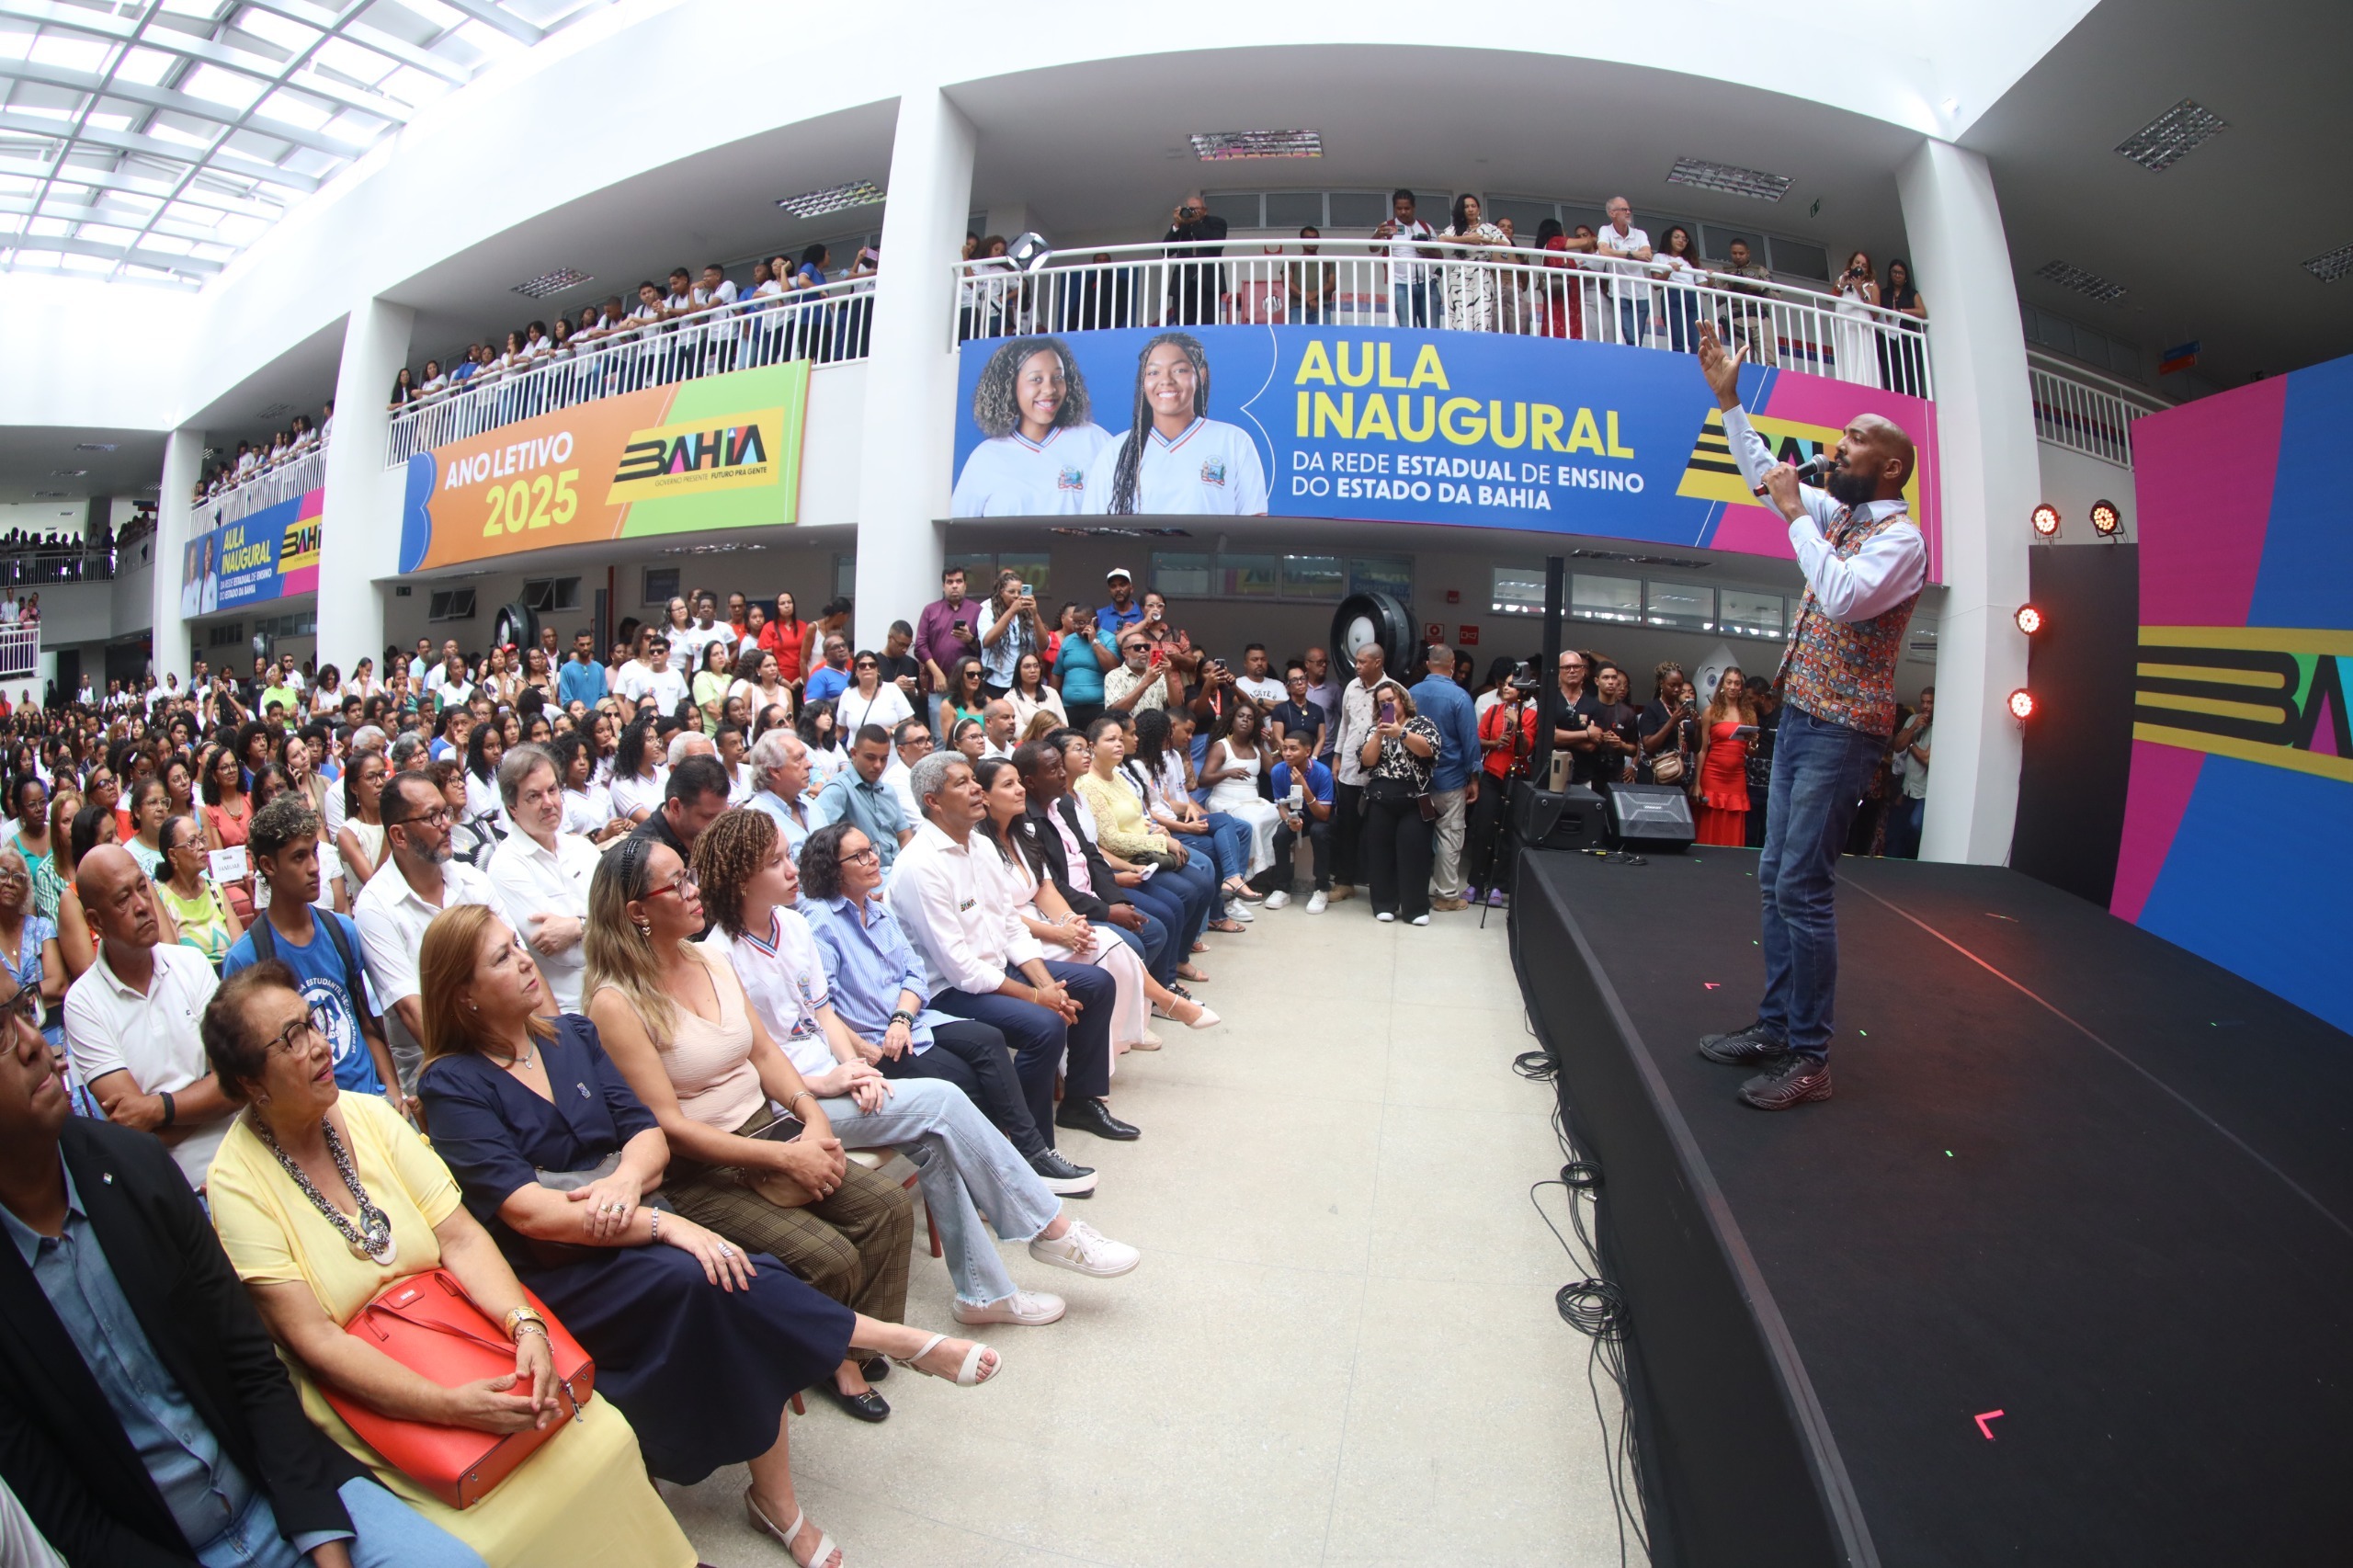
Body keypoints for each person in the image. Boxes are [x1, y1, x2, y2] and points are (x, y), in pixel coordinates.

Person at [415, 906, 999, 1568]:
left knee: (732, 1280)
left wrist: (626, 1184)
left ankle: (785, 1491)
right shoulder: (451, 1084)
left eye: (519, 946)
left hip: (636, 1223)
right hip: (567, 1271)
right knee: (722, 1279)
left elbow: (645, 1134)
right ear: (462, 992)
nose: (525, 961)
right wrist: (665, 1223)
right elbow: (531, 1214)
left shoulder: (570, 1036)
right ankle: (875, 1355)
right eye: (500, 957)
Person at [197, 965, 690, 1567]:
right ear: (251, 1082)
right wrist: (448, 1405)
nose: (321, 1043)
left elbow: (459, 1237)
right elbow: (315, 1340)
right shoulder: (234, 1183)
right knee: (496, 1535)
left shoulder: (369, 1115)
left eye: (312, 1022)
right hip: (373, 1389)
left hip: (461, 1332)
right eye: (291, 1038)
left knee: (605, 1436)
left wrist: (524, 1324)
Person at [0, 979, 487, 1568]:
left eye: (24, 1008)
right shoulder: (230, 1177)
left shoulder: (133, 1170)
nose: (34, 1043)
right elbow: (63, 1512)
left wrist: (322, 1542)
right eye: (0, 1030)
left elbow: (253, 1366)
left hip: (282, 1491)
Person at [698, 808, 1139, 1334]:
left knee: (936, 1141)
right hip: (789, 1104)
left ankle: (984, 1294)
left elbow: (823, 1016)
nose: (791, 869)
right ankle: (1051, 1227)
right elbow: (755, 1055)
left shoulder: (790, 925)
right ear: (740, 878)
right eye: (774, 863)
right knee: (943, 1099)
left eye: (786, 856)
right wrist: (822, 1083)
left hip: (841, 1081)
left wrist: (854, 1066)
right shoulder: (717, 956)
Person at [582, 836, 915, 1416]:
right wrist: (785, 1159)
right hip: (701, 1166)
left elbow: (764, 1054)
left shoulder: (709, 958)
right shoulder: (616, 1002)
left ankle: (848, 1344)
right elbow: (668, 1126)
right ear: (638, 912)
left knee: (887, 1208)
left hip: (767, 1128)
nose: (694, 891)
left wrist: (811, 1121)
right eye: (677, 884)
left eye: (690, 876)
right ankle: (831, 1359)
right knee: (831, 1257)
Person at [1695, 321, 1927, 1110]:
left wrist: (1798, 514)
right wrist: (1729, 401)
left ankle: (1812, 1058)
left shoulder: (1902, 542)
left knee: (1804, 886)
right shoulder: (1842, 517)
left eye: (1855, 439)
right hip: (1798, 718)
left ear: (1890, 465)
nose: (1839, 442)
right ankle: (1776, 1027)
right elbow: (1765, 473)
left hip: (1844, 733)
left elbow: (1844, 595)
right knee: (1774, 879)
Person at [799, 820, 1098, 1195]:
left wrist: (902, 1018)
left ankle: (1031, 1158)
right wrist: (860, 1049)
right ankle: (1000, 1176)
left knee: (988, 1040)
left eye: (872, 848)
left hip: (909, 1023)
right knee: (968, 1078)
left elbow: (914, 976)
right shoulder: (820, 921)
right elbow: (817, 1003)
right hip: (874, 1041)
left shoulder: (877, 910)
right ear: (832, 868)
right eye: (859, 856)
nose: (874, 858)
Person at [891, 752, 1134, 1149]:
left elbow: (1008, 925)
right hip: (948, 992)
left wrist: (1047, 985)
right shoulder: (920, 866)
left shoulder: (981, 847)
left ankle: (1080, 1101)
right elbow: (962, 971)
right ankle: (1027, 1142)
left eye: (974, 779)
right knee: (1045, 1026)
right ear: (933, 801)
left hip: (996, 970)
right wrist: (1040, 998)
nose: (975, 789)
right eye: (961, 783)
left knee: (1097, 984)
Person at [63, 845, 234, 1186]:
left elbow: (233, 1083)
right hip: (172, 1187)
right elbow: (135, 1134)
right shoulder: (83, 1004)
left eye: (142, 888)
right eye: (123, 899)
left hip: (240, 1158)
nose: (142, 906)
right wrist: (210, 1096)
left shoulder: (191, 964)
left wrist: (158, 1109)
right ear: (96, 922)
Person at [222, 797, 404, 1113]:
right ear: (268, 866)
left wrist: (391, 1088)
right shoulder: (247, 957)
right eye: (298, 857)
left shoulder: (341, 930)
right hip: (313, 1114)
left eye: (315, 852)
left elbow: (362, 1016)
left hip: (371, 1100)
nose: (314, 867)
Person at [353, 771, 506, 1096]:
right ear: (399, 835)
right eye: (432, 816)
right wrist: (490, 1072)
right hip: (444, 1069)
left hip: (508, 1038)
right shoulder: (376, 906)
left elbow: (520, 962)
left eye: (445, 812)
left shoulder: (472, 880)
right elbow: (413, 1012)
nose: (447, 824)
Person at [1089, 333, 1268, 516]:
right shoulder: (1117, 450)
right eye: (1153, 372)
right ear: (1143, 381)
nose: (1166, 380)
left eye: (1179, 370)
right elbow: (1092, 531)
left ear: (1201, 375)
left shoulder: (1234, 441)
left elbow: (1254, 524)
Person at [485, 744, 598, 1013]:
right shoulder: (506, 865)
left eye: (552, 790)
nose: (549, 803)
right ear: (512, 808)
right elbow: (566, 954)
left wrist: (576, 926)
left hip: (618, 987)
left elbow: (628, 923)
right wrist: (598, 923)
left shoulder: (582, 848)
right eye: (534, 796)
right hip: (569, 1008)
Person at [952, 336, 1115, 516]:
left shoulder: (1095, 440)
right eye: (1036, 379)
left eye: (1058, 377)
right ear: (1010, 386)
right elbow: (959, 530)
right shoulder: (985, 458)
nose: (1050, 389)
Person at [1356, 679, 1440, 926]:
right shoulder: (1375, 729)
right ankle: (1384, 904)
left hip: (1414, 800)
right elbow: (1368, 761)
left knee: (1414, 853)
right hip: (1381, 799)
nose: (1386, 705)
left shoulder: (1423, 724)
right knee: (1381, 854)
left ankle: (1415, 909)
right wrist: (1381, 735)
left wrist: (1400, 733)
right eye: (1382, 703)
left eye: (1390, 700)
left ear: (1402, 700)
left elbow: (1428, 750)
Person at [1412, 643, 1481, 913]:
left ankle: (1414, 887)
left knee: (1416, 834)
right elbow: (1470, 743)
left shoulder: (1411, 692)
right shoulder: (1460, 697)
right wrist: (1474, 779)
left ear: (1428, 663)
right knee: (1449, 838)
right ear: (1452, 665)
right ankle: (1447, 895)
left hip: (1417, 781)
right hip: (1450, 780)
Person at [1468, 675, 1540, 907]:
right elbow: (1478, 741)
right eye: (1506, 683)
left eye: (1512, 685)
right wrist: (1495, 742)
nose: (1506, 687)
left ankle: (1498, 885)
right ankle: (1475, 883)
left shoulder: (1531, 716)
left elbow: (1525, 748)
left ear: (1523, 691)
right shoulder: (1492, 711)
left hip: (1516, 777)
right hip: (1491, 774)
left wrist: (1517, 725)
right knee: (1483, 828)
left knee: (1507, 832)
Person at [1325, 642, 1388, 901]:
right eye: (1357, 661)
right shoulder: (1351, 687)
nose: (1357, 666)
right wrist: (1338, 756)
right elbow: (1345, 725)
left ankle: (1380, 885)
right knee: (1347, 826)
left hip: (1379, 772)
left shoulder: (1389, 692)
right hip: (1350, 768)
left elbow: (1389, 729)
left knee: (1378, 830)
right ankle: (1344, 882)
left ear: (1377, 662)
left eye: (1362, 662)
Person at [812, 722, 912, 871]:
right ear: (853, 753)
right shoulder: (838, 789)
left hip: (898, 872)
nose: (878, 765)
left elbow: (905, 836)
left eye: (884, 759)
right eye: (871, 758)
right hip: (864, 878)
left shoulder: (888, 791)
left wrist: (906, 868)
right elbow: (817, 842)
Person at [1199, 703, 1281, 884]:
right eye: (1241, 716)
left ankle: (1266, 874)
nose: (1245, 720)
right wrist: (1227, 773)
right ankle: (1243, 878)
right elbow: (1203, 779)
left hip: (1252, 802)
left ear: (1255, 724)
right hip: (1225, 802)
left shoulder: (1257, 748)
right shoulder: (1221, 747)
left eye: (1250, 718)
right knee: (1251, 822)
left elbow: (1276, 772)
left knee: (1279, 814)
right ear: (1232, 720)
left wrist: (1273, 746)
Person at [155, 812, 244, 967]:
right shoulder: (162, 900)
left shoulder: (214, 888)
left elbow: (239, 946)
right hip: (196, 980)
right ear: (173, 855)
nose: (202, 846)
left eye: (202, 839)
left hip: (230, 973)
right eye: (192, 842)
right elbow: (174, 960)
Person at [1263, 730, 1333, 912]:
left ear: (1307, 752)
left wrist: (1304, 788)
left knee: (1320, 832)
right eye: (1285, 748)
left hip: (1318, 815)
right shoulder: (1278, 771)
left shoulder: (1322, 772)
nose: (1287, 753)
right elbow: (1281, 806)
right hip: (1295, 814)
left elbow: (1324, 814)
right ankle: (1282, 889)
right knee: (1280, 836)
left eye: (1293, 749)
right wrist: (1289, 821)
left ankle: (1321, 888)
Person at [1688, 667, 1757, 847]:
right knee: (1709, 824)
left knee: (1733, 824)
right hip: (1712, 775)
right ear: (1722, 685)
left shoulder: (1749, 714)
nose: (1733, 687)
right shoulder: (1710, 712)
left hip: (1736, 777)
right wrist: (1697, 783)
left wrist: (1754, 742)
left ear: (1741, 687)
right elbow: (1702, 750)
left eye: (1737, 683)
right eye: (1729, 682)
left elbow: (1751, 752)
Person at [201, 743, 257, 922]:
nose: (231, 770)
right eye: (224, 767)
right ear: (214, 775)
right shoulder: (210, 810)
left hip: (259, 867)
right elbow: (218, 855)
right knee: (241, 902)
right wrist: (239, 878)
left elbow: (261, 839)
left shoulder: (250, 798)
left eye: (234, 765)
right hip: (231, 875)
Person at [1438, 193, 1510, 332]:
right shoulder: (1456, 228)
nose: (1470, 209)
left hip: (1482, 273)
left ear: (1479, 209)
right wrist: (1467, 239)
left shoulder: (1489, 228)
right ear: (1462, 210)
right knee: (1462, 319)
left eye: (1473, 206)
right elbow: (1441, 239)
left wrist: (1486, 240)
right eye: (1466, 207)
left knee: (1483, 318)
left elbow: (1506, 244)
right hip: (1460, 275)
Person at [1594, 196, 1654, 345]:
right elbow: (1603, 251)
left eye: (1629, 209)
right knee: (1630, 336)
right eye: (1624, 209)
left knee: (1637, 338)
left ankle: (1635, 361)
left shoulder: (1639, 234)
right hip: (1619, 292)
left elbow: (1647, 255)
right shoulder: (1605, 230)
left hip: (1641, 293)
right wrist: (1631, 254)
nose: (1628, 212)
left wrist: (1618, 253)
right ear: (1612, 213)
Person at [1375, 188, 1439, 327]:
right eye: (1399, 208)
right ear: (1394, 208)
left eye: (1407, 208)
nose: (1403, 212)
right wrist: (1378, 236)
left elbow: (1439, 255)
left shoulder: (1425, 227)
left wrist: (1427, 249)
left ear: (1414, 208)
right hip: (1401, 285)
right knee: (1407, 329)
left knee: (1432, 329)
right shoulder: (1388, 227)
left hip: (1428, 285)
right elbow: (1372, 248)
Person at [1161, 191, 1227, 327]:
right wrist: (1177, 226)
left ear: (1205, 211)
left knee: (1210, 324)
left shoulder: (1217, 222)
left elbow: (1217, 244)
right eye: (1190, 209)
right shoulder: (1181, 226)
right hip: (1184, 282)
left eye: (1197, 209)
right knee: (1184, 325)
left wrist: (1195, 223)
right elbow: (1166, 251)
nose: (1194, 212)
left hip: (1209, 281)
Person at [1886, 686, 1933, 858]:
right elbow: (1898, 745)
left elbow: (1926, 759)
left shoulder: (1941, 725)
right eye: (1923, 702)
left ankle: (1914, 860)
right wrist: (1913, 728)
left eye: (1930, 702)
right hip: (1908, 787)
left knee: (1915, 826)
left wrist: (1911, 744)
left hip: (1924, 792)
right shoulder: (1914, 719)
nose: (1926, 706)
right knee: (1897, 831)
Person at [831, 648, 915, 737]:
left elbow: (910, 721)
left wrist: (892, 731)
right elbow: (840, 729)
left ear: (877, 669)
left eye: (872, 665)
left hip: (890, 748)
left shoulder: (892, 689)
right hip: (857, 749)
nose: (867, 668)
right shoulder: (847, 694)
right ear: (856, 670)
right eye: (862, 666)